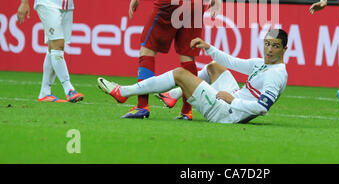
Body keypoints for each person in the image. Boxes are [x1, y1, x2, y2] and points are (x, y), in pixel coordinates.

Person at [98, 29, 288, 124]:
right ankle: (173, 95)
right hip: (234, 99)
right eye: (267, 44)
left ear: (284, 49)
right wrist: (209, 48)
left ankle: (123, 92)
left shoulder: (276, 74)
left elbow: (262, 108)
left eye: (275, 46)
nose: (269, 50)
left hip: (227, 112)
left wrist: (232, 101)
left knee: (181, 73)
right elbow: (231, 62)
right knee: (214, 66)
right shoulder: (262, 64)